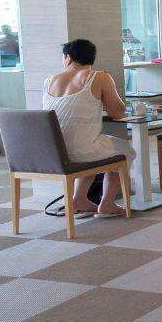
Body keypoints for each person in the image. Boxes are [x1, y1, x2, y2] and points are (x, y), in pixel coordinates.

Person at [42, 39, 133, 217]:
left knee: (95, 145)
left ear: (68, 58)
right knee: (126, 150)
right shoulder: (99, 77)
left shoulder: (49, 80)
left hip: (54, 152)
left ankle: (79, 199)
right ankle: (107, 204)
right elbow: (117, 112)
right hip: (81, 151)